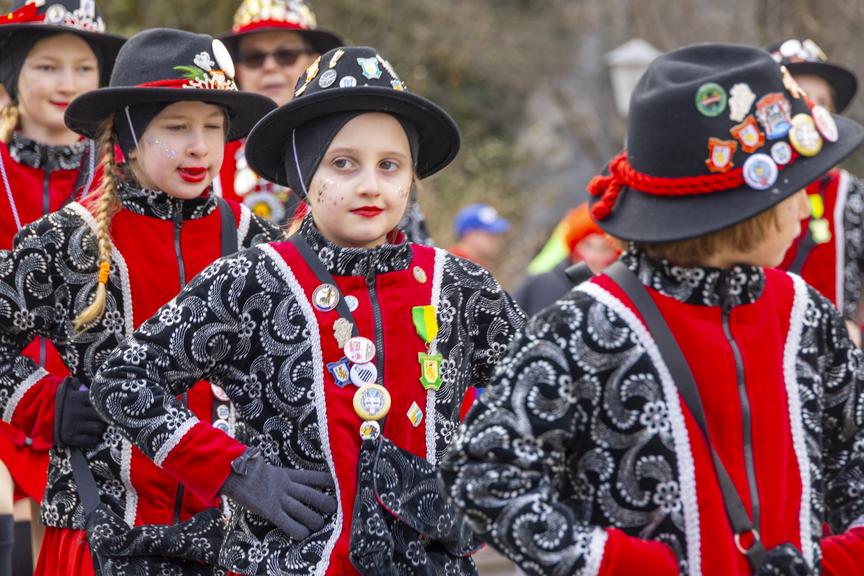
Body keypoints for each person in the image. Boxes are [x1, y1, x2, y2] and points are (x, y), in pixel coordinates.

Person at [91, 45, 526, 575]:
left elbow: (536, 399)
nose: (370, 185)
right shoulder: (250, 281)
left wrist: (473, 482)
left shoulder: (460, 285)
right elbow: (122, 380)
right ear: (303, 172)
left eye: (391, 166)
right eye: (342, 164)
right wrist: (237, 472)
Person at [441, 43, 864, 576]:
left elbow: (855, 460)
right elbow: (482, 473)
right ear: (736, 210)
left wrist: (836, 562)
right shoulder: (587, 326)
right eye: (790, 192)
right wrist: (623, 565)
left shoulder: (809, 318)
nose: (805, 208)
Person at [0, 28, 280, 575]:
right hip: (96, 533)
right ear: (127, 136)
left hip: (232, 540)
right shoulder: (65, 240)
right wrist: (42, 404)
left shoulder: (260, 247)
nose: (199, 146)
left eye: (212, 127)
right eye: (176, 127)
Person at [0, 1, 124, 573]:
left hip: (96, 416)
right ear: (12, 76)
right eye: (47, 66)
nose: (66, 84)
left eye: (82, 69)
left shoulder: (125, 177)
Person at [767, 39, 864, 340]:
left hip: (839, 357)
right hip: (765, 352)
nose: (809, 112)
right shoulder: (745, 195)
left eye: (821, 103)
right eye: (799, 98)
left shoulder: (854, 196)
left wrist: (857, 332)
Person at [216, 0, 342, 224]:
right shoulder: (209, 149)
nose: (270, 67)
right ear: (236, 70)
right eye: (254, 58)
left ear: (314, 62)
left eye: (286, 55)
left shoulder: (348, 139)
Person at [514, 203, 619, 315]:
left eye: (605, 249)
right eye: (587, 245)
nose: (593, 257)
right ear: (574, 245)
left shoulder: (616, 301)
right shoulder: (540, 284)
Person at [448, 202, 509, 268]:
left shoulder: (475, 265)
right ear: (471, 235)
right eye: (491, 234)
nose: (498, 239)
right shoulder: (453, 265)